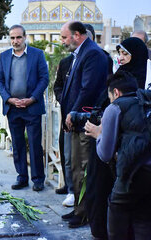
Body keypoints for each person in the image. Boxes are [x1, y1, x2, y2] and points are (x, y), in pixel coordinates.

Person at [85, 70, 151, 240]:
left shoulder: (115, 107)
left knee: (117, 214)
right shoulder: (145, 101)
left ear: (115, 92)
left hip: (131, 173)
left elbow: (105, 154)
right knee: (143, 219)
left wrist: (98, 134)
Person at [59, 21, 108, 228]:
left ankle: (86, 213)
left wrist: (73, 112)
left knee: (84, 169)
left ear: (77, 35)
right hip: (76, 121)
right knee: (76, 168)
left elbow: (87, 89)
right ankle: (79, 209)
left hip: (84, 120)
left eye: (64, 37)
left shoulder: (93, 54)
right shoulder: (81, 53)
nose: (62, 42)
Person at [0, 24, 49, 191]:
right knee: (17, 144)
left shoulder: (37, 54)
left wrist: (32, 99)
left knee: (34, 144)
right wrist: (9, 99)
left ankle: (38, 179)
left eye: (18, 37)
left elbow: (44, 78)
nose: (15, 41)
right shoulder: (4, 56)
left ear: (25, 37)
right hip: (13, 108)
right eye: (12, 38)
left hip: (31, 107)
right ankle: (22, 177)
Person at [84, 23, 115, 240]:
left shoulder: (104, 58)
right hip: (93, 123)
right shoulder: (74, 60)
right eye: (120, 53)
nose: (121, 57)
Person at [54, 54, 74, 205]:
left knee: (78, 157)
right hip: (65, 112)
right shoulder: (65, 61)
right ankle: (68, 185)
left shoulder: (99, 58)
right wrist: (64, 99)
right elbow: (57, 85)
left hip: (83, 114)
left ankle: (75, 191)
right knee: (64, 151)